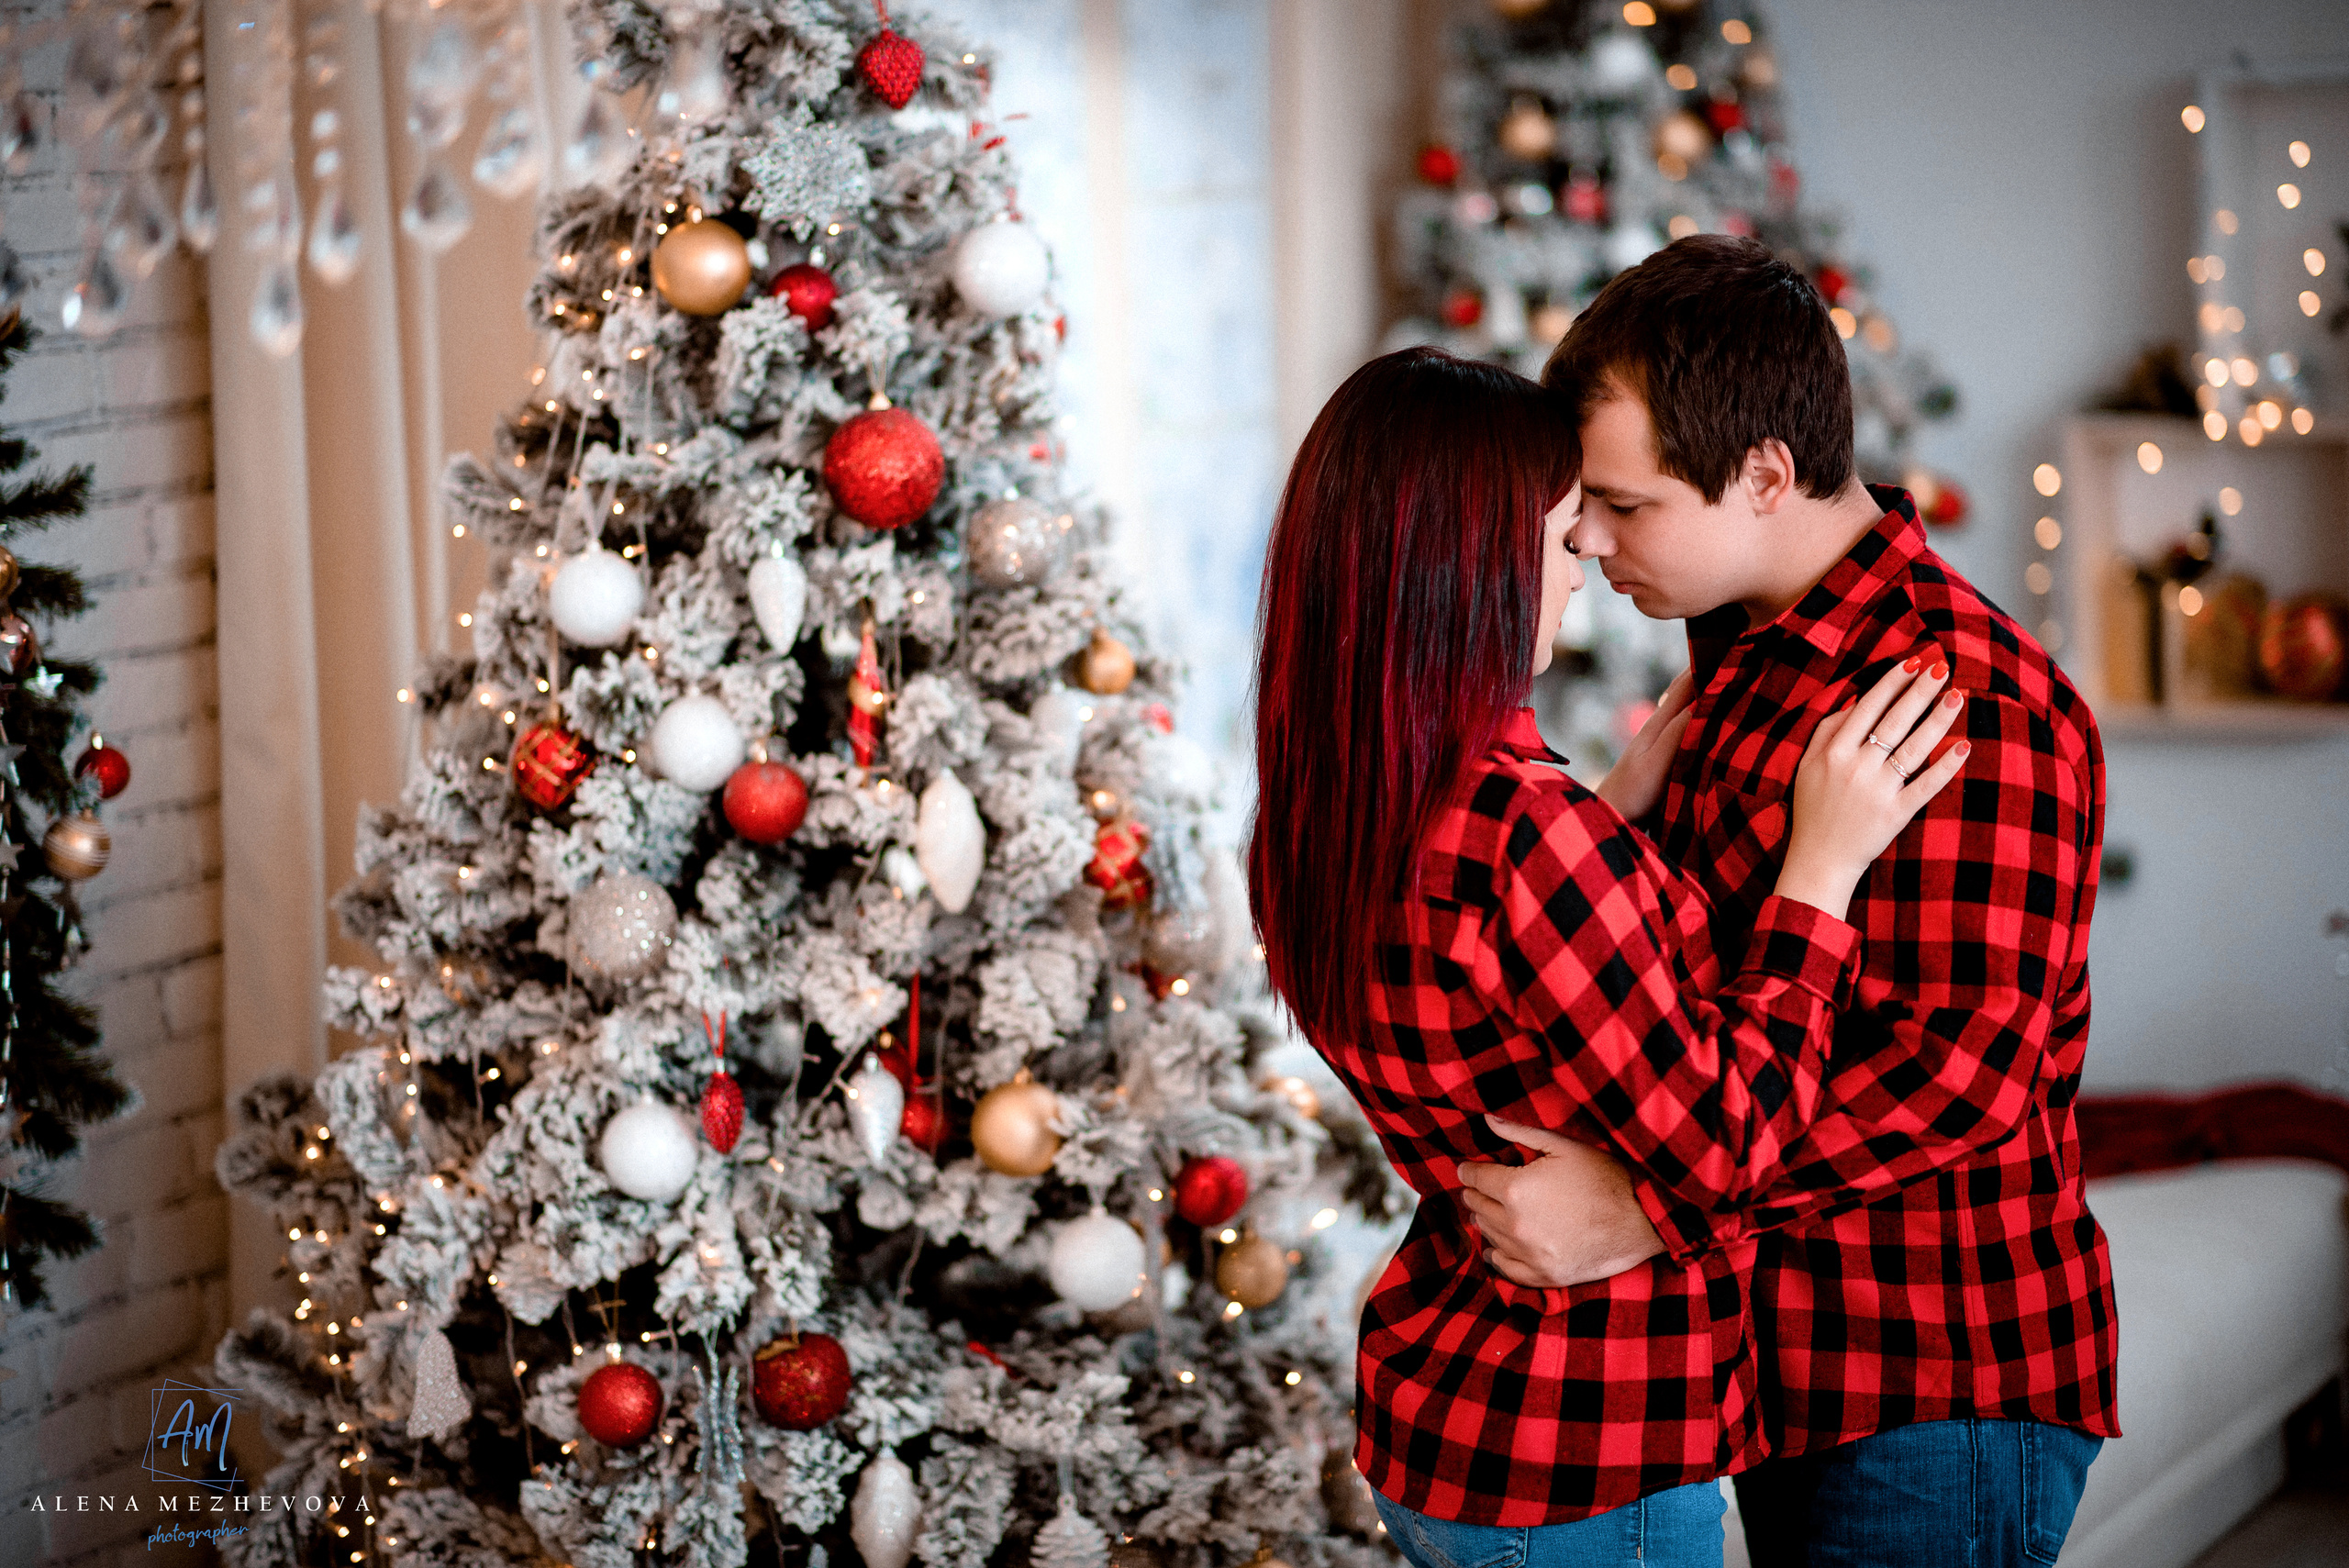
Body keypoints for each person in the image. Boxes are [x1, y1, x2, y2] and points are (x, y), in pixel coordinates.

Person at [1248, 346, 1969, 1568]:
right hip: (1583, 1447)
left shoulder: (1325, 810)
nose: (1581, 564)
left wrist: (1611, 813)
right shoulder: (1525, 836)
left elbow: (1489, 1007)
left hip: (1449, 1419)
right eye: (1560, 531)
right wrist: (1821, 872)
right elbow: (1732, 1139)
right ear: (1467, 563)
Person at [1462, 235, 2116, 1567]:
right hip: (1773, 1360)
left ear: (1764, 474)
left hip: (1930, 1376)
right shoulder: (1738, 664)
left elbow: (1955, 1074)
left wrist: (1640, 1209)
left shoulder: (1972, 702)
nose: (1585, 537)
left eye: (1623, 503)